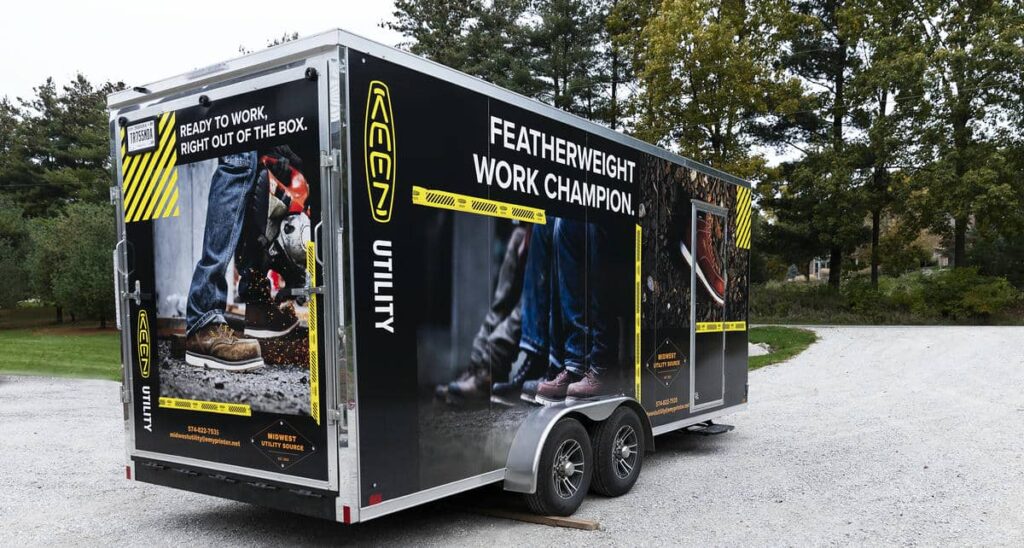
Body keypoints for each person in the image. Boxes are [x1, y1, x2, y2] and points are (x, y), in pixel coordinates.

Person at [184, 148, 309, 371]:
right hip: (228, 116)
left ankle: (257, 301)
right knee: (239, 164)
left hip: (254, 120)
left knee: (254, 171)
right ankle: (203, 319)